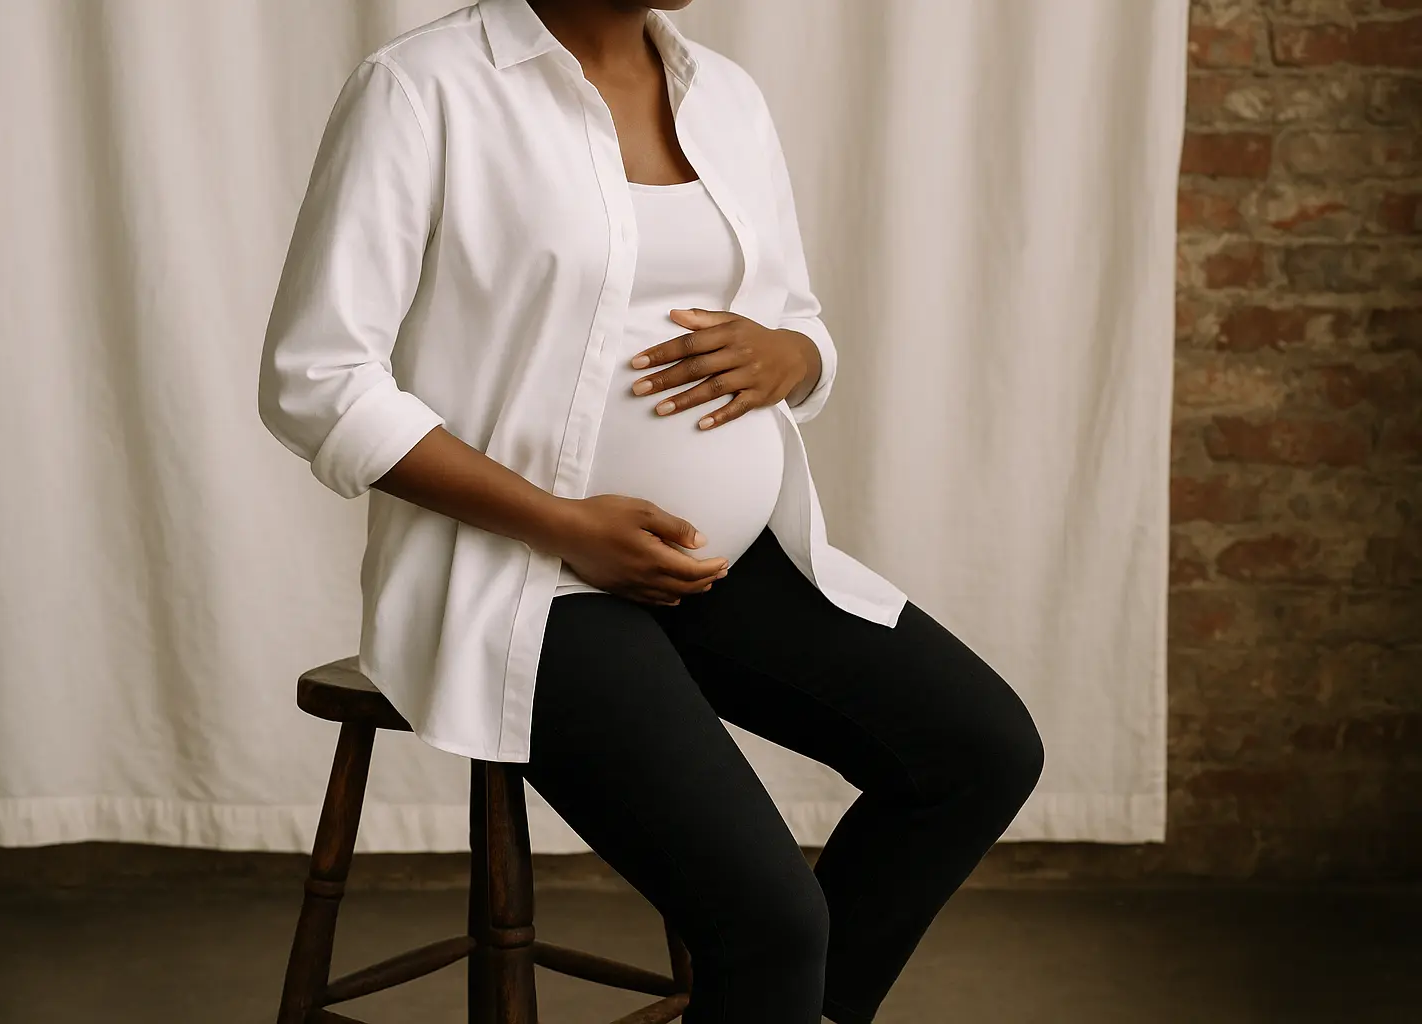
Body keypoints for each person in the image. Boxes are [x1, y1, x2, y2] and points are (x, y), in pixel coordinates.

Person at [259, 1, 1044, 1020]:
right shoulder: (426, 89)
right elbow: (318, 381)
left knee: (978, 752)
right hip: (523, 578)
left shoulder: (724, 96)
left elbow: (795, 316)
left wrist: (792, 355)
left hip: (716, 567)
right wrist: (562, 522)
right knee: (772, 924)